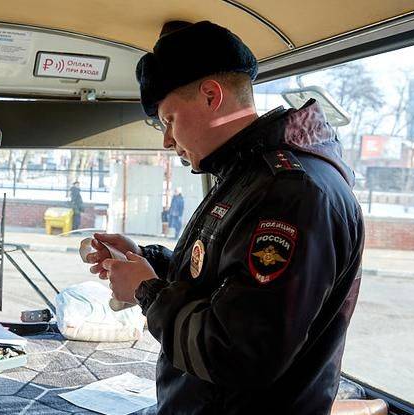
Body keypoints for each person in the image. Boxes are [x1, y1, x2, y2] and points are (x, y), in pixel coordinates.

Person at [86, 21, 363, 414]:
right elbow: (221, 282)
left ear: (211, 96)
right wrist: (148, 263)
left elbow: (239, 353)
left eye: (168, 120)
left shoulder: (290, 194)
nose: (166, 140)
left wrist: (146, 291)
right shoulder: (247, 176)